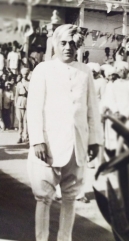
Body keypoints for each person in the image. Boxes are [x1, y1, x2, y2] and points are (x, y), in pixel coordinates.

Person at [27, 24, 102, 241]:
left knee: (70, 197)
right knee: (43, 198)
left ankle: (64, 238)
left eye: (73, 43)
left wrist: (95, 140)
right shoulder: (43, 69)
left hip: (77, 145)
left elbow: (92, 109)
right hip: (48, 144)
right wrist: (38, 140)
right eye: (64, 43)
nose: (68, 47)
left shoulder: (85, 71)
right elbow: (34, 107)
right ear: (56, 44)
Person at [15, 68, 30, 143]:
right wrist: (15, 103)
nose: (25, 75)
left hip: (27, 102)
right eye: (24, 74)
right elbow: (16, 94)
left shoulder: (30, 83)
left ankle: (26, 136)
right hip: (20, 102)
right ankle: (19, 136)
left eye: (26, 74)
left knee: (26, 121)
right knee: (20, 120)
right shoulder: (19, 84)